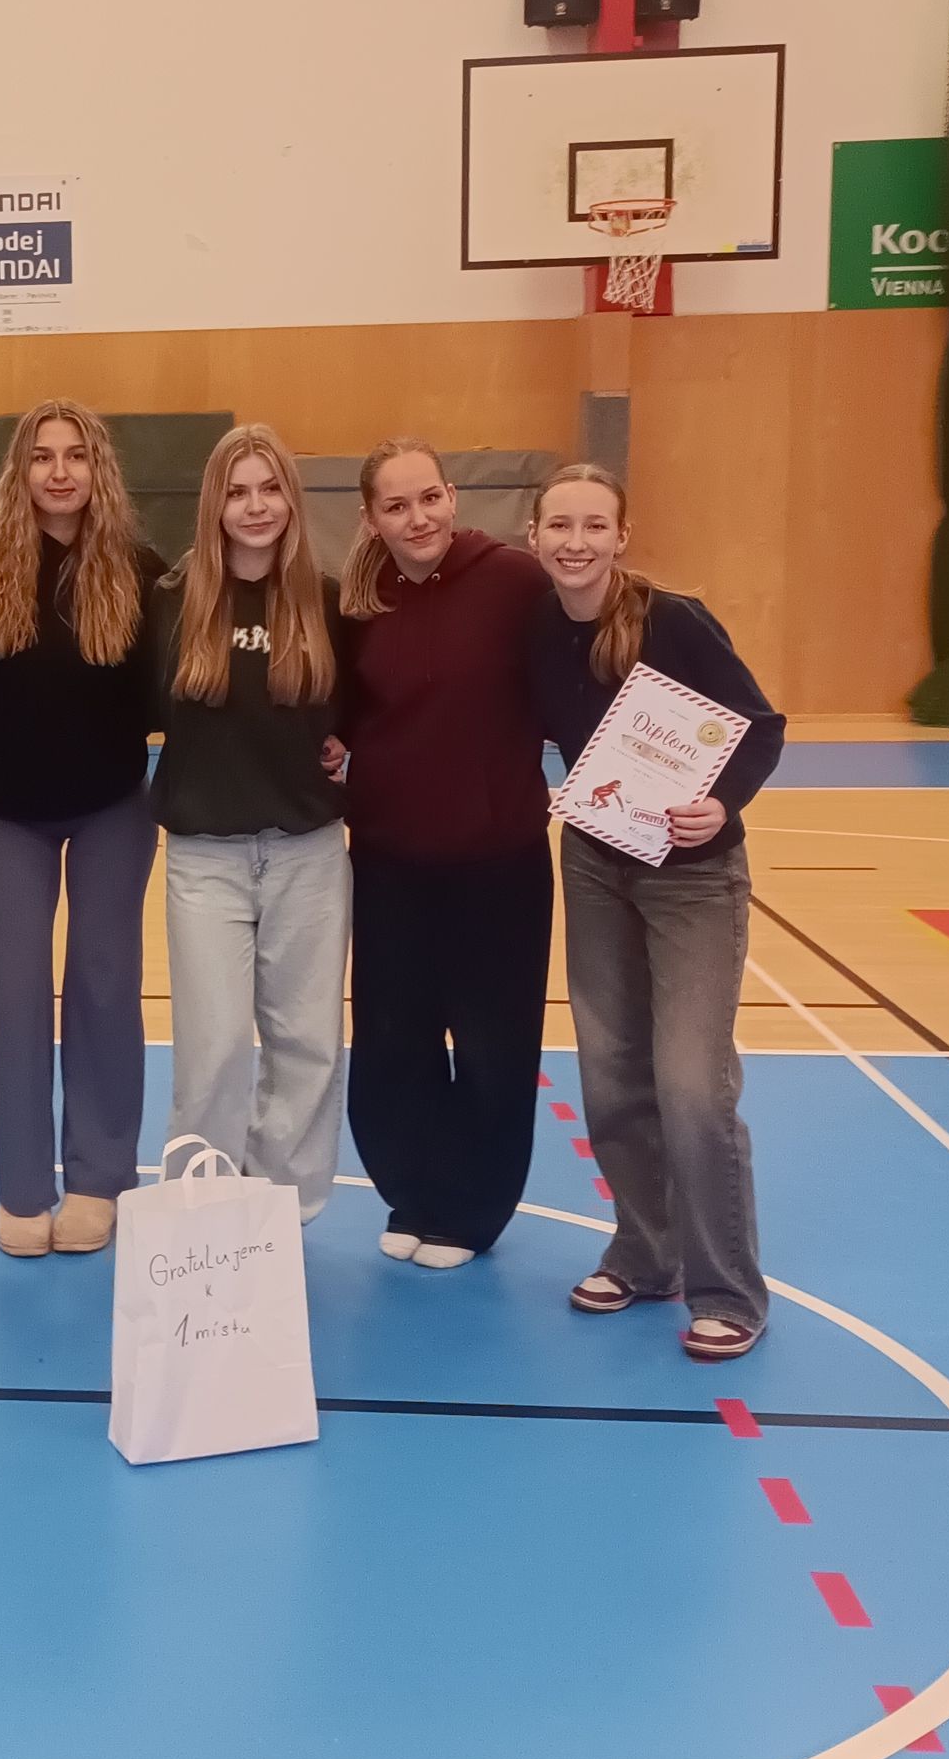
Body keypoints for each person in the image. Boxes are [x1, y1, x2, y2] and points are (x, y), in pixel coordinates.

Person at [528, 462, 785, 1362]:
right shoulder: (534, 628)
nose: (576, 542)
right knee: (611, 1075)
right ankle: (645, 1253)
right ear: (534, 536)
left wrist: (723, 802)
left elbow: (758, 725)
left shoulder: (673, 620)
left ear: (621, 536)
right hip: (596, 862)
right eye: (560, 525)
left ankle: (728, 1290)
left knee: (691, 1086)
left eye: (594, 525)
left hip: (693, 877)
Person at [336, 437, 553, 1271]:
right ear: (371, 518)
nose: (417, 518)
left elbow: (581, 670)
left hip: (499, 863)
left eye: (428, 498)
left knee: (495, 1047)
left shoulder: (516, 582)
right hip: (390, 861)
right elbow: (341, 710)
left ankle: (472, 1213)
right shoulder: (360, 602)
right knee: (395, 1042)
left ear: (452, 497)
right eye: (396, 506)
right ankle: (414, 1193)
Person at [0, 401, 165, 1258]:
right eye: (42, 456)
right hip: (9, 813)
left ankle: (98, 1179)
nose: (59, 471)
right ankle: (21, 1190)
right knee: (14, 997)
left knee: (106, 988)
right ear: (21, 469)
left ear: (97, 468)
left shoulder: (140, 570)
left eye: (75, 455)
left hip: (112, 805)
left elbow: (176, 687)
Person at [150, 425, 348, 1217]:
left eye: (270, 489)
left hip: (308, 854)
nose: (255, 506)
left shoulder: (327, 602)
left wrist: (349, 747)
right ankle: (198, 1218)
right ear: (215, 504)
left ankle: (283, 1214)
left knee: (307, 1042)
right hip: (205, 858)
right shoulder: (171, 600)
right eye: (238, 492)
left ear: (291, 500)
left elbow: (364, 711)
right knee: (215, 1047)